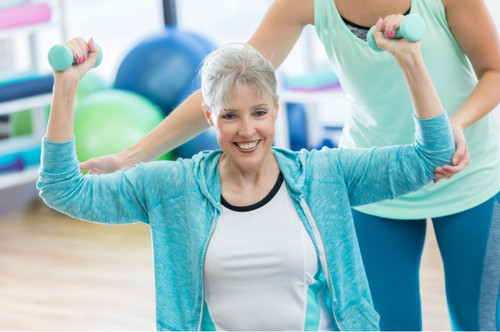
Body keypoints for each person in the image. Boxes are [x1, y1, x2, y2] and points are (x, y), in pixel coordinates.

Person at [79, 0, 500, 330]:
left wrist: (454, 125)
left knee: (480, 322)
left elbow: (494, 69)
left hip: (469, 174)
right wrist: (131, 157)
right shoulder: (305, 2)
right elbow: (225, 89)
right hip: (371, 180)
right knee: (387, 325)